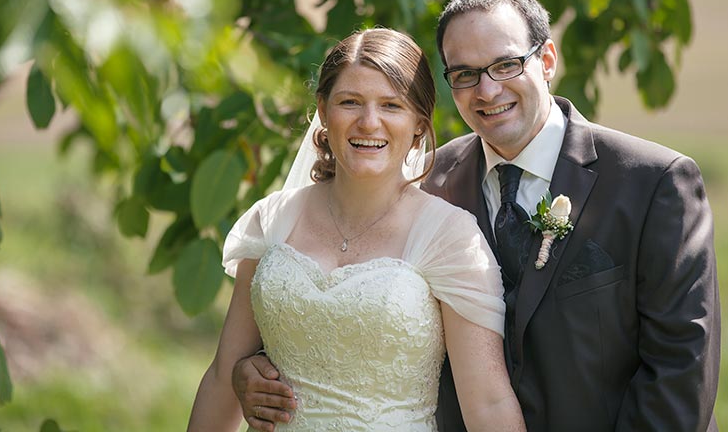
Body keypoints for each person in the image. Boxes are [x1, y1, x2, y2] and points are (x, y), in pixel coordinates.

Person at [232, 0, 721, 432]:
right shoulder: (426, 185)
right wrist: (248, 367)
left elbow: (680, 371)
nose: (487, 91)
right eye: (465, 74)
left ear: (547, 59)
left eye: (506, 65)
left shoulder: (653, 183)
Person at [187, 28, 527, 431]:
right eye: (350, 102)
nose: (369, 123)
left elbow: (488, 403)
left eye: (391, 106)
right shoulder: (274, 219)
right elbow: (223, 375)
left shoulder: (449, 237)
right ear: (324, 111)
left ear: (419, 124)